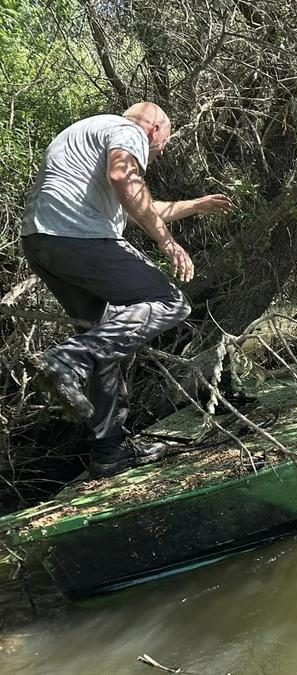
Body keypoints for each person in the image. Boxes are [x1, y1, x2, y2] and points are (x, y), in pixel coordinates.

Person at [21, 102, 233, 478]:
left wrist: (195, 206)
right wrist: (168, 244)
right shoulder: (127, 129)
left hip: (42, 241)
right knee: (170, 303)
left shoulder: (86, 135)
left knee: (102, 341)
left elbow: (141, 205)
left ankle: (110, 452)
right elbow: (124, 177)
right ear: (154, 128)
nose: (162, 151)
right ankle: (66, 360)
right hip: (80, 236)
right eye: (163, 141)